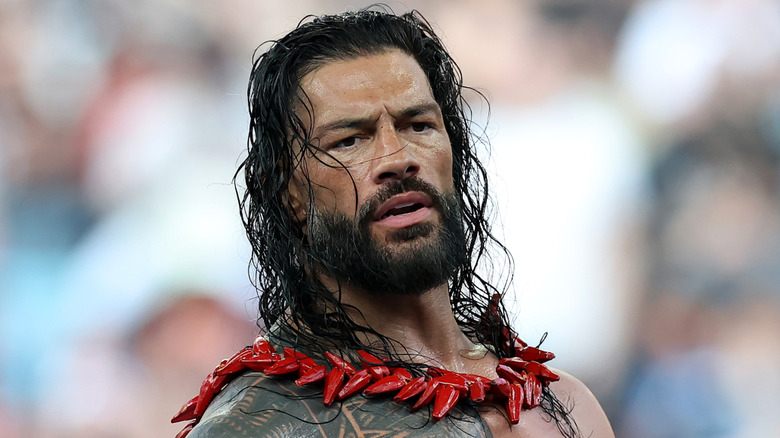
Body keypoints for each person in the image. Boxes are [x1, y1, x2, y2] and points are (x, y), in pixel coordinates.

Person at [172, 8, 614, 438]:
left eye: (419, 125)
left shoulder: (564, 407)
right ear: (289, 194)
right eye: (349, 140)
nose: (399, 159)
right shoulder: (255, 428)